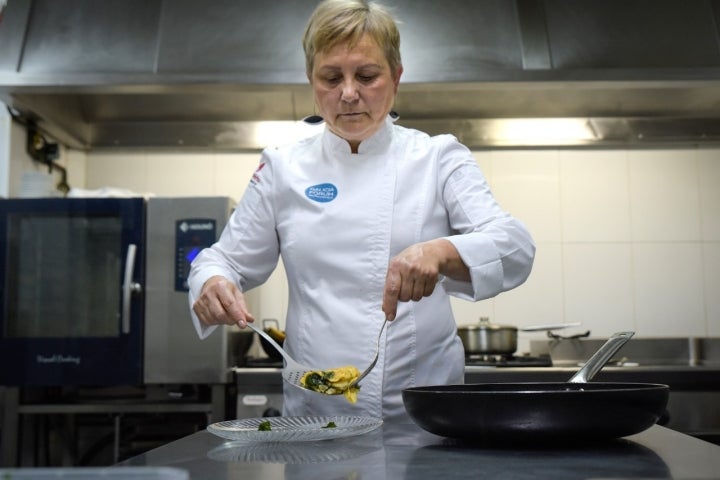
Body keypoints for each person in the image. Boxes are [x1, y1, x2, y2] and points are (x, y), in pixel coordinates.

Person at [188, 0, 535, 423]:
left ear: (397, 77)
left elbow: (515, 247)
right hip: (318, 419)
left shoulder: (438, 157)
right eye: (331, 77)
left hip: (425, 415)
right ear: (311, 81)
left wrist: (440, 252)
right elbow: (221, 259)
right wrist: (213, 281)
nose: (349, 93)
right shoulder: (282, 168)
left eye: (367, 76)